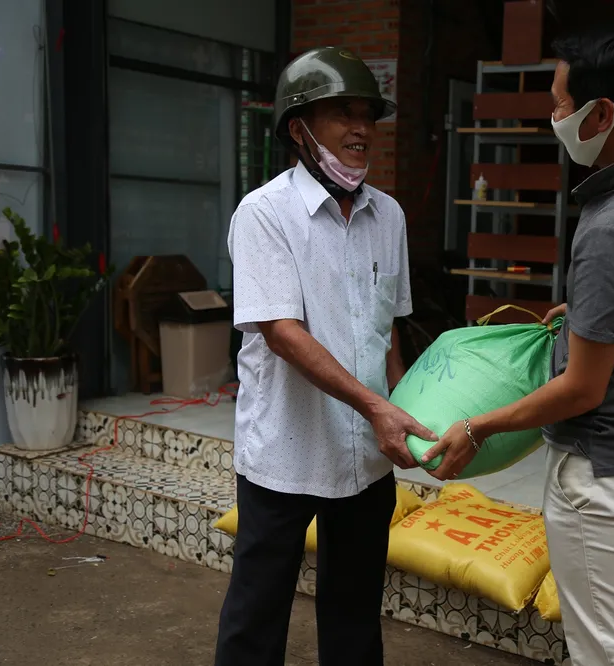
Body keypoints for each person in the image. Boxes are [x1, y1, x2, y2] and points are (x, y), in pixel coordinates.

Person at [419, 22, 614, 666]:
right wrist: (598, 317)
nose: (554, 117)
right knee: (610, 637)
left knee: (605, 652)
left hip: (600, 473)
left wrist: (477, 426)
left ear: (603, 114)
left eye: (561, 103)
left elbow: (581, 389)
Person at [214, 47, 436, 666]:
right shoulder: (264, 214)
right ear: (299, 129)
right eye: (342, 113)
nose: (361, 129)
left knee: (355, 614)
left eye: (367, 115)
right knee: (257, 615)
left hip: (365, 455)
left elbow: (387, 327)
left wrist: (405, 407)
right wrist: (375, 406)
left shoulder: (387, 215)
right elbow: (282, 332)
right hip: (285, 453)